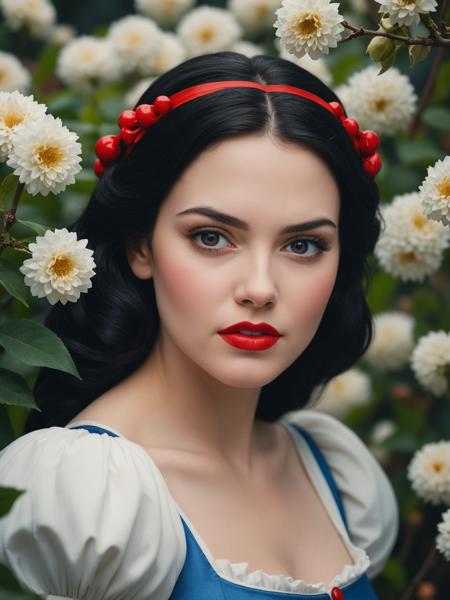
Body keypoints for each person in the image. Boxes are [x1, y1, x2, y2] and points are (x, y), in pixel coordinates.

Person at [0, 51, 398, 600]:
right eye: (212, 236)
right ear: (141, 243)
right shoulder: (80, 498)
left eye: (303, 245)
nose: (259, 288)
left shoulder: (336, 474)